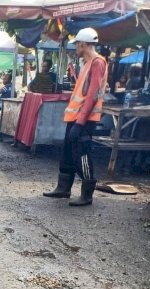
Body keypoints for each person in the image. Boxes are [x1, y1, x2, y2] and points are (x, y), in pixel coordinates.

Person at [43, 28, 107, 206]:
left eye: (77, 45)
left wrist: (80, 123)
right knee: (67, 153)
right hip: (76, 118)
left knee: (82, 154)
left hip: (84, 120)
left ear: (83, 44)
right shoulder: (87, 63)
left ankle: (87, 195)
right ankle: (63, 189)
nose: (76, 48)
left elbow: (93, 95)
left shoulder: (97, 63)